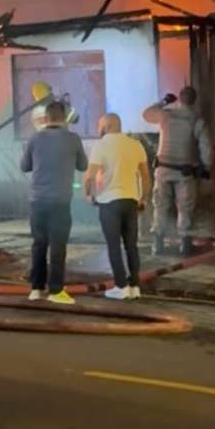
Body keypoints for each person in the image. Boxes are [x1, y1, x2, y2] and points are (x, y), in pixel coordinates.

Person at [20, 100, 89, 305]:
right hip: (60, 201)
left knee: (38, 244)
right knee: (58, 246)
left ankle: (36, 288)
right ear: (64, 117)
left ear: (46, 118)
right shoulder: (73, 139)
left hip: (37, 200)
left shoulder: (35, 138)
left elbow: (25, 166)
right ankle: (56, 290)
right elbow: (83, 165)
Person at [83, 113, 151, 300]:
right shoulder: (135, 145)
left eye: (100, 125)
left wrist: (88, 194)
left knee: (114, 245)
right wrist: (143, 199)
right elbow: (145, 176)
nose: (99, 129)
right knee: (131, 245)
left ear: (108, 125)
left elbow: (89, 176)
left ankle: (120, 286)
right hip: (131, 201)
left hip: (109, 202)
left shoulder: (101, 145)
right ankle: (134, 286)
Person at [143, 86, 212, 255]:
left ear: (179, 99)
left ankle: (157, 244)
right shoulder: (197, 120)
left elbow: (146, 114)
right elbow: (207, 148)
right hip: (185, 171)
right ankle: (184, 244)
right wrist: (206, 167)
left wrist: (164, 101)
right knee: (185, 207)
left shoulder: (165, 114)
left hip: (163, 168)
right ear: (194, 100)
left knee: (160, 206)